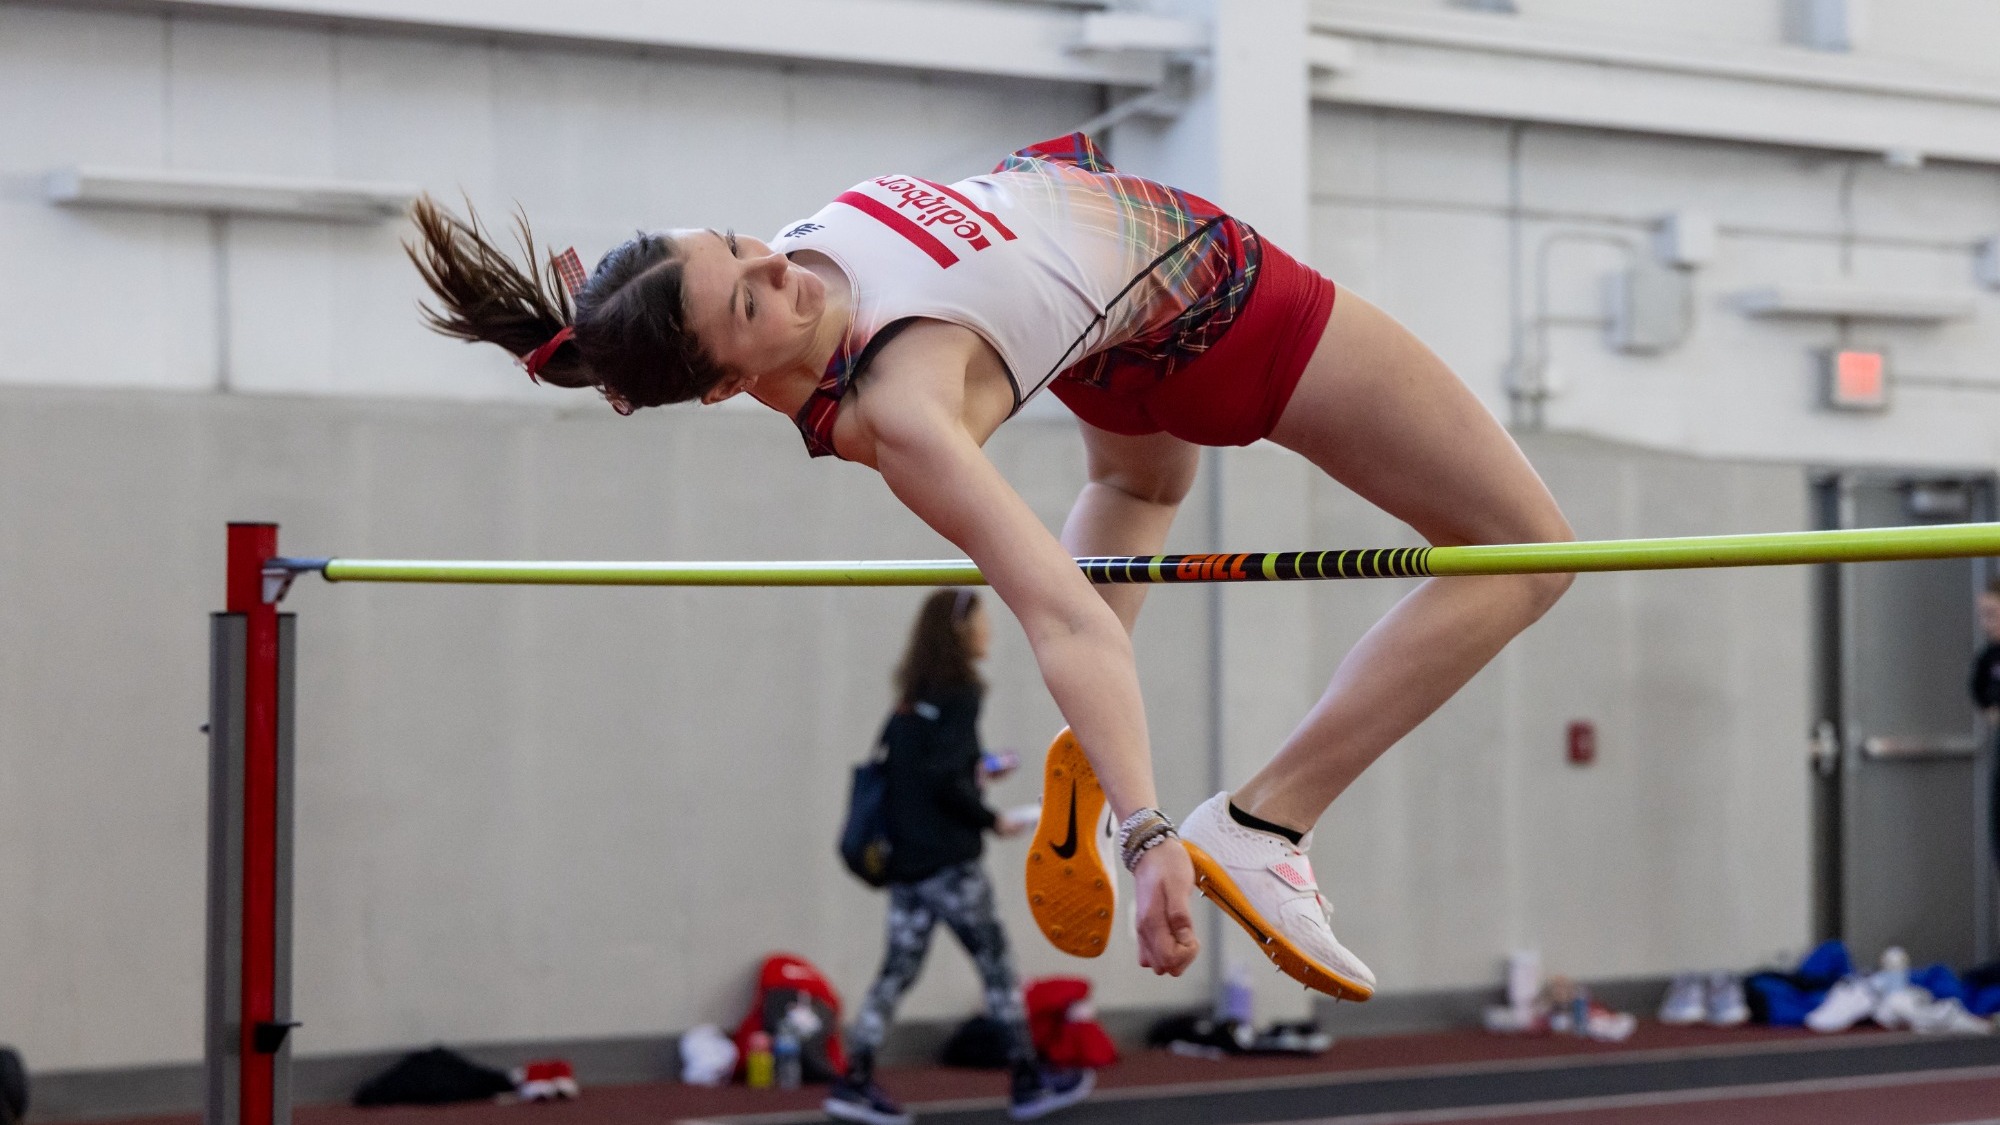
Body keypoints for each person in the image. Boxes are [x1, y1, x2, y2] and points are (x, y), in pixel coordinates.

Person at [407, 132, 1574, 1001]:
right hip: (1222, 309)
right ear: (725, 386)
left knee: (1136, 488)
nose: (781, 270)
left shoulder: (793, 282)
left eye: (740, 249)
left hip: (1099, 336)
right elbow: (1060, 618)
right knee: (1529, 556)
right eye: (749, 302)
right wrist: (1150, 825)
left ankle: (1097, 760)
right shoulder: (901, 414)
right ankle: (1262, 826)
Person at [824, 588, 1091, 1125]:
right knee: (996, 967)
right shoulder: (963, 693)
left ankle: (852, 1082)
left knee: (894, 974)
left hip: (906, 867)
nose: (991, 631)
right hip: (950, 865)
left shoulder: (910, 700)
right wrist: (993, 819)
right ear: (961, 631)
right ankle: (1028, 1082)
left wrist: (978, 770)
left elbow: (921, 777)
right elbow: (945, 782)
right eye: (984, 622)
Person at [1970, 577, 2000, 866]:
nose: (1986, 623)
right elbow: (1980, 694)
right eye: (1983, 616)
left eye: (1992, 615)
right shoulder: (1988, 657)